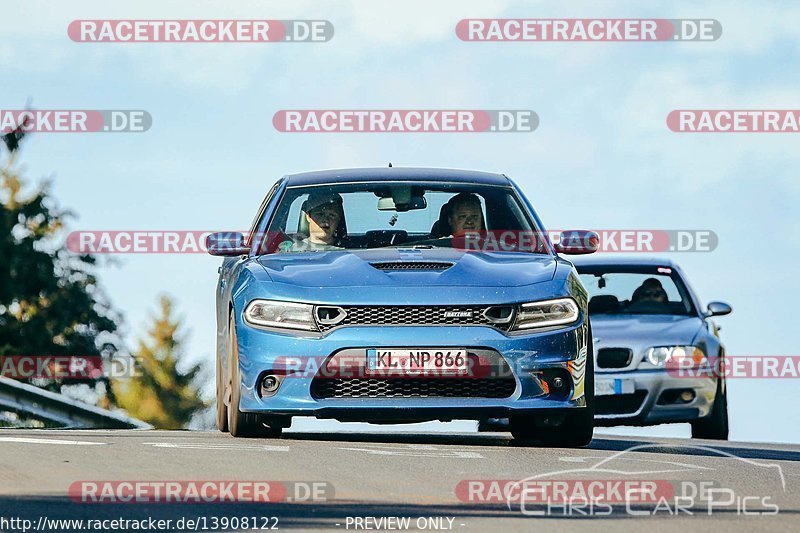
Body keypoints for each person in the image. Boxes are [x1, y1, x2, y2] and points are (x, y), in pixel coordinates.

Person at [278, 191, 346, 252]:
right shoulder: (290, 252)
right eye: (320, 214)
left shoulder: (350, 251)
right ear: (308, 216)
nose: (326, 220)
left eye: (332, 215)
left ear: (338, 219)